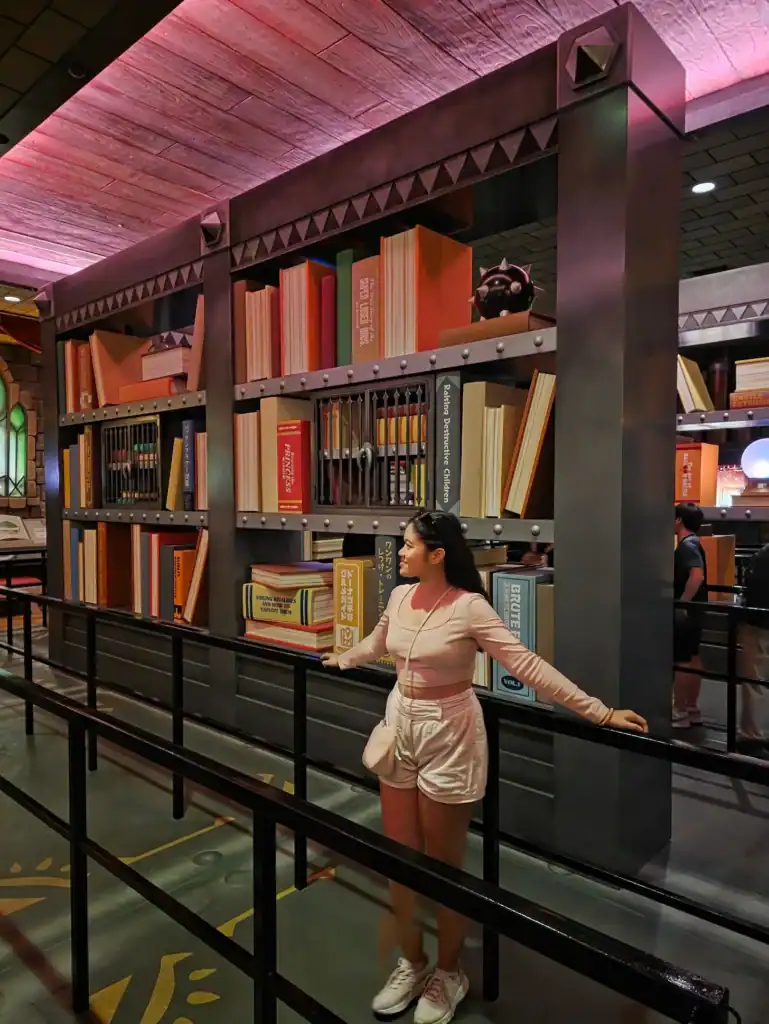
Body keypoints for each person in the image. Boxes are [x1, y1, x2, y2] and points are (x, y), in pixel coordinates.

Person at [321, 510, 647, 1024]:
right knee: (400, 860)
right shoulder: (401, 596)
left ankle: (449, 972)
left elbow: (527, 664)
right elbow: (379, 642)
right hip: (398, 723)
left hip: (450, 732)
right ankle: (412, 962)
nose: (400, 553)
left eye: (408, 546)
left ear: (437, 554)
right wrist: (345, 657)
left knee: (444, 866)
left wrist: (598, 710)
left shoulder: (470, 608)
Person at [673, 502, 708, 729]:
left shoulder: (687, 546)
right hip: (696, 612)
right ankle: (693, 709)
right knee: (693, 657)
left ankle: (681, 710)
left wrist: (682, 602)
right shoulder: (696, 542)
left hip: (687, 614)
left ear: (679, 520)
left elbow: (697, 576)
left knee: (682, 660)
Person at [737, 543, 769, 743]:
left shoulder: (762, 556)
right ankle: (753, 736)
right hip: (760, 624)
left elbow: (752, 589)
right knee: (756, 681)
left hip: (757, 622)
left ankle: (752, 736)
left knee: (755, 681)